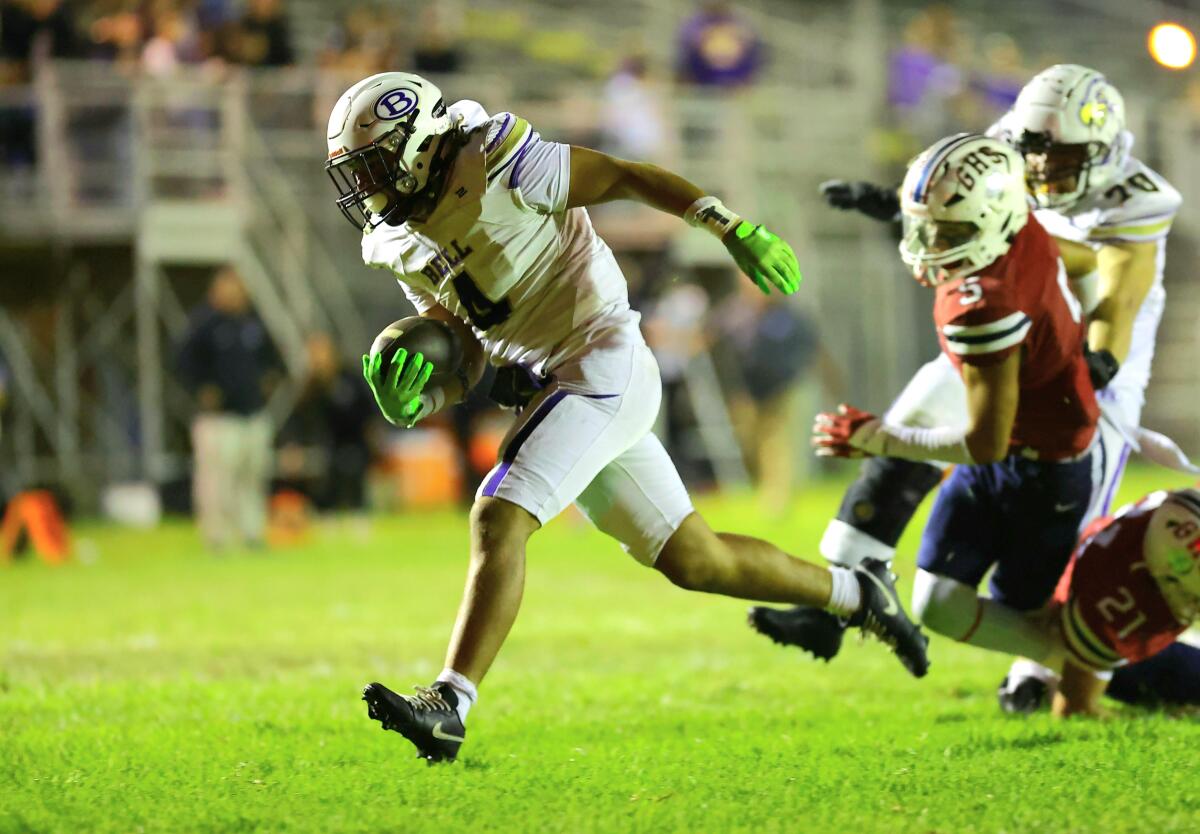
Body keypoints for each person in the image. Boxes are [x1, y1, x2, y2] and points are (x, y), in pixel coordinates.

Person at [324, 71, 929, 762]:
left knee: (499, 513)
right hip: (554, 384)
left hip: (600, 359)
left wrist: (723, 223)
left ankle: (451, 702)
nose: (366, 189)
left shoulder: (498, 160)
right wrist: (426, 393)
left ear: (421, 144)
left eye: (374, 166)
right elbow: (461, 336)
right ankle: (858, 593)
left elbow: (622, 176)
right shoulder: (396, 237)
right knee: (697, 560)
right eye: (356, 172)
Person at [750, 66, 1189, 702]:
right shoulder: (1010, 155)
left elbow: (1115, 290)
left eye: (1061, 159)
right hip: (1007, 335)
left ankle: (1052, 670)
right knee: (901, 451)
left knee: (1062, 569)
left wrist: (1097, 361)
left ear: (1103, 152)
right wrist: (897, 204)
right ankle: (836, 602)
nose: (1041, 174)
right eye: (1033, 155)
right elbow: (971, 209)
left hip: (1084, 377)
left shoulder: (1133, 199)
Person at [806, 134, 1099, 669]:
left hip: (1041, 472)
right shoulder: (1023, 228)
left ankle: (1094, 666)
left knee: (1031, 612)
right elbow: (1085, 260)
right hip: (1029, 443)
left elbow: (984, 444)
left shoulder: (984, 303)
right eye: (927, 227)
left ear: (995, 218)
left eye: (952, 233)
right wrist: (1091, 336)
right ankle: (842, 597)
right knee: (937, 603)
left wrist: (872, 436)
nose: (933, 244)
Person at [1051, 488, 1200, 717]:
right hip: (1091, 622)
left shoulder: (1167, 521)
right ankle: (1039, 672)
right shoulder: (1122, 600)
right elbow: (1074, 708)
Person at [177, 267, 278, 550]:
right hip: (218, 419)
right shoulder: (204, 324)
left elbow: (272, 360)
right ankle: (216, 536)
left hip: (252, 413)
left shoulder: (253, 323)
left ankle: (252, 532)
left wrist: (267, 381)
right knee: (216, 481)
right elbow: (184, 363)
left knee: (252, 476)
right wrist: (202, 389)